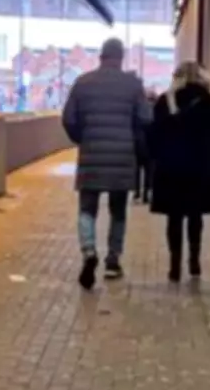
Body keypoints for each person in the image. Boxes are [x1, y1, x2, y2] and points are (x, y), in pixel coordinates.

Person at [62, 38, 152, 289]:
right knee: (118, 211)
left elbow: (68, 119)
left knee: (87, 209)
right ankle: (113, 262)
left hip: (91, 155)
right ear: (121, 57)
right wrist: (131, 137)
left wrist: (82, 138)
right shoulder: (133, 85)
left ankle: (89, 251)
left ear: (101, 56)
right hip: (123, 157)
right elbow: (146, 118)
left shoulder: (82, 83)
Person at [149, 61, 210, 282]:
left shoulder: (165, 102)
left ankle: (174, 266)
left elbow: (153, 137)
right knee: (195, 215)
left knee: (173, 218)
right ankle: (194, 261)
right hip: (199, 170)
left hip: (171, 170)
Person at [133, 89, 157, 204]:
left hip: (137, 144)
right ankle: (147, 194)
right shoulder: (156, 111)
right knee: (150, 171)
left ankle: (137, 193)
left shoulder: (137, 110)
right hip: (151, 145)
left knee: (136, 170)